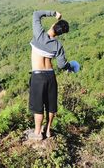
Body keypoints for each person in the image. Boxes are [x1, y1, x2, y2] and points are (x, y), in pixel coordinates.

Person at [28, 10, 73, 141]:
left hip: (38, 76)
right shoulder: (58, 45)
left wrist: (54, 13)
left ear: (54, 24)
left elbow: (36, 14)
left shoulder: (39, 35)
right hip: (50, 76)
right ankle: (47, 130)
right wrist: (70, 67)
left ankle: (37, 133)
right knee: (51, 105)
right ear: (61, 33)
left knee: (38, 106)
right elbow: (62, 65)